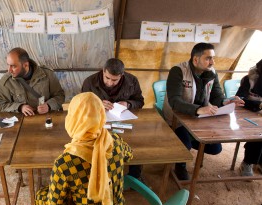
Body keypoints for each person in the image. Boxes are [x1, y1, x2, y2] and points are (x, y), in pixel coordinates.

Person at [35, 92, 133, 205]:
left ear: (73, 119)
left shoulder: (64, 163)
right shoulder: (114, 140)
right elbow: (129, 155)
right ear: (101, 115)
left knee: (40, 195)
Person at [163, 43, 244, 180]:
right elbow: (175, 101)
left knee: (214, 148)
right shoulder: (178, 71)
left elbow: (217, 96)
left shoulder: (212, 72)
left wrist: (226, 101)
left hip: (200, 117)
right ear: (196, 60)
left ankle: (190, 141)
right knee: (185, 145)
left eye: (213, 58)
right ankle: (180, 164)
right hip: (178, 117)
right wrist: (199, 109)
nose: (212, 62)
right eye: (208, 58)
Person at [81, 58, 145, 183]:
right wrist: (97, 104)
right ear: (103, 71)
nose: (110, 83)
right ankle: (97, 178)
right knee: (97, 148)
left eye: (115, 80)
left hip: (123, 123)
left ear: (122, 75)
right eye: (107, 78)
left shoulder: (132, 81)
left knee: (135, 144)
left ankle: (134, 177)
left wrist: (128, 104)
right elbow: (81, 104)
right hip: (97, 125)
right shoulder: (90, 82)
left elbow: (140, 101)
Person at [0, 47, 65, 116]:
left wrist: (48, 106)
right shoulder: (5, 82)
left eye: (13, 66)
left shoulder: (47, 74)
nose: (9, 70)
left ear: (26, 65)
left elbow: (60, 96)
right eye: (8, 65)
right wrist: (20, 107)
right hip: (22, 121)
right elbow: (1, 105)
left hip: (47, 118)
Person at [235, 59, 262, 176]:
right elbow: (239, 99)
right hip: (243, 113)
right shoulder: (248, 80)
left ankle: (260, 163)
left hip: (259, 115)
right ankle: (247, 162)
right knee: (257, 132)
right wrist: (258, 105)